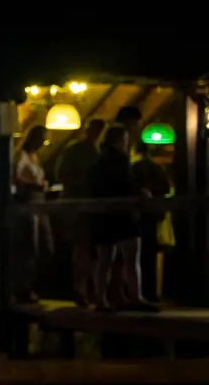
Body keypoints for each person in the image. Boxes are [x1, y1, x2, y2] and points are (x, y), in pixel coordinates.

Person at [90, 125, 156, 312]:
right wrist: (141, 194)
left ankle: (100, 299)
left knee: (105, 260)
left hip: (103, 216)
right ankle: (136, 297)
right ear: (119, 141)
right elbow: (127, 185)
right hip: (123, 215)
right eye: (125, 139)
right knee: (132, 256)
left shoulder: (98, 163)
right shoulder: (121, 161)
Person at [54, 118, 106, 306]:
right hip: (78, 206)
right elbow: (62, 175)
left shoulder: (99, 152)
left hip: (94, 207)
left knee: (92, 250)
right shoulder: (76, 151)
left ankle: (89, 290)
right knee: (83, 247)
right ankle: (80, 290)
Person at [12, 125, 52, 303]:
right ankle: (23, 287)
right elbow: (15, 177)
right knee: (30, 245)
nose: (43, 143)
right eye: (41, 139)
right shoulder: (22, 155)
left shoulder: (36, 157)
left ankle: (35, 285)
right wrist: (31, 186)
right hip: (28, 201)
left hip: (40, 201)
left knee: (45, 244)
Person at [131, 144, 172, 302]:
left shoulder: (133, 168)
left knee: (135, 257)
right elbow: (167, 188)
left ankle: (137, 291)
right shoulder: (156, 167)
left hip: (135, 216)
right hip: (153, 215)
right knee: (150, 255)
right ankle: (151, 292)